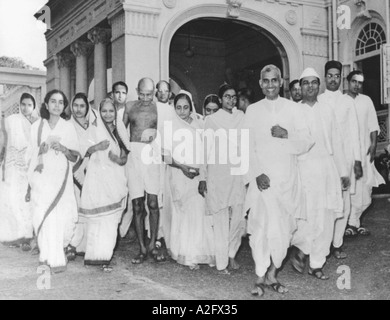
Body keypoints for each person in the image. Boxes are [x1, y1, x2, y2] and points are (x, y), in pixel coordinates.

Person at [244, 65, 313, 297]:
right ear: (261, 84)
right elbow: (245, 147)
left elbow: (307, 141)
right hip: (263, 182)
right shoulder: (252, 110)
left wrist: (288, 134)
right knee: (260, 228)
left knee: (283, 231)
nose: (271, 85)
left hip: (287, 180)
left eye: (274, 80)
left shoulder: (294, 109)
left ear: (281, 82)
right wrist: (255, 173)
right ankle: (259, 275)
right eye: (266, 81)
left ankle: (273, 273)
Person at [291, 68, 350, 281]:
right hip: (303, 170)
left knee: (326, 218)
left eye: (313, 82)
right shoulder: (294, 110)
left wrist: (343, 171)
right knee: (306, 215)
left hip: (327, 169)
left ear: (319, 85)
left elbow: (336, 142)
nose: (309, 86)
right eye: (305, 83)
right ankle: (301, 248)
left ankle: (317, 263)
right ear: (300, 86)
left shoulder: (327, 110)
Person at [28, 90, 80, 273]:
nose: (57, 105)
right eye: (53, 101)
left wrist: (64, 148)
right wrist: (40, 150)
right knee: (43, 213)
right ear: (46, 104)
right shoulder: (37, 126)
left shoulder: (68, 127)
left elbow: (75, 156)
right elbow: (29, 155)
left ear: (64, 106)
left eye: (60, 102)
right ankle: (47, 255)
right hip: (42, 178)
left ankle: (58, 252)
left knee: (62, 217)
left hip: (61, 179)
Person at [163, 91, 215, 270]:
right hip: (179, 173)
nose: (182, 111)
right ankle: (187, 254)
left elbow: (206, 149)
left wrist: (202, 172)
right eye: (178, 107)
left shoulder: (199, 124)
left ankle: (201, 252)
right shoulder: (170, 126)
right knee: (184, 212)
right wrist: (183, 167)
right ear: (174, 108)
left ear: (191, 107)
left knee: (199, 211)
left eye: (186, 107)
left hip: (198, 173)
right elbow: (166, 156)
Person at [198, 83, 246, 273]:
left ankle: (231, 253)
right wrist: (203, 176)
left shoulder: (241, 117)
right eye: (227, 96)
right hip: (218, 173)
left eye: (233, 97)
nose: (231, 100)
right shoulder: (212, 120)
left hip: (237, 173)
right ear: (221, 99)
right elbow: (205, 150)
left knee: (239, 218)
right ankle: (222, 262)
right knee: (220, 218)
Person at [318, 61, 363, 259]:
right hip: (325, 160)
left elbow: (355, 133)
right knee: (326, 203)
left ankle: (337, 244)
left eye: (337, 76)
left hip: (344, 161)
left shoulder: (347, 102)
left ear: (341, 78)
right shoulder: (318, 101)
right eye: (330, 75)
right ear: (325, 77)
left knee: (344, 204)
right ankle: (323, 244)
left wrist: (358, 160)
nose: (333, 79)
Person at [79, 98, 128, 272]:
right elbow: (85, 150)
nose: (108, 114)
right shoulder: (93, 130)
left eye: (111, 111)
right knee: (98, 219)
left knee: (110, 220)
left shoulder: (120, 131)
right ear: (100, 112)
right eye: (104, 111)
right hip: (97, 179)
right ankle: (93, 256)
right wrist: (98, 146)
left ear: (115, 113)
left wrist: (116, 159)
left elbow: (124, 157)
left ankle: (105, 256)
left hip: (114, 180)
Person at [123, 78, 164, 264]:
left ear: (154, 92)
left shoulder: (159, 108)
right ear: (137, 91)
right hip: (134, 156)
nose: (146, 98)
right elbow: (120, 132)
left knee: (153, 203)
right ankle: (141, 248)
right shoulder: (129, 106)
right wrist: (124, 153)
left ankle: (153, 244)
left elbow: (165, 132)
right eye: (143, 94)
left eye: (150, 94)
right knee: (138, 205)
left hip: (152, 156)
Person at [344, 71, 385, 236]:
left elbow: (373, 125)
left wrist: (374, 144)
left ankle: (355, 221)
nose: (356, 85)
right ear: (348, 82)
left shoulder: (366, 100)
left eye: (359, 82)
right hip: (348, 152)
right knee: (351, 187)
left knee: (365, 189)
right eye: (353, 81)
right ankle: (350, 224)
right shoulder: (342, 100)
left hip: (365, 151)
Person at [0, 93, 39, 250]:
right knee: (12, 199)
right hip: (12, 167)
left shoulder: (37, 124)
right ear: (19, 105)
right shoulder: (11, 120)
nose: (26, 108)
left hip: (29, 168)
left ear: (34, 106)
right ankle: (15, 236)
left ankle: (27, 236)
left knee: (27, 201)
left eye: (29, 105)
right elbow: (3, 139)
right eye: (23, 104)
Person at [67, 93, 98, 259]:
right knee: (76, 209)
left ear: (87, 108)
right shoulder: (67, 126)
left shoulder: (93, 127)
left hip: (91, 174)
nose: (79, 109)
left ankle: (87, 246)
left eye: (82, 106)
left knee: (89, 208)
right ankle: (72, 243)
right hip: (74, 173)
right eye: (76, 105)